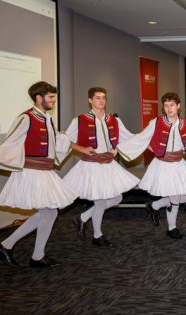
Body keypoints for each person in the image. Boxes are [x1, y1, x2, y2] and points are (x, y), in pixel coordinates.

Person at [0, 81, 77, 268]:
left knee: (49, 212)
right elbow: (10, 143)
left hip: (44, 171)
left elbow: (59, 141)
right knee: (49, 211)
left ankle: (13, 248)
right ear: (39, 97)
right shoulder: (26, 118)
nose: (53, 101)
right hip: (31, 172)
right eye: (51, 97)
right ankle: (25, 252)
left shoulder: (47, 119)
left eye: (54, 97)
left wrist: (82, 148)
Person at [117, 93, 186, 239]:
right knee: (175, 198)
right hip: (163, 164)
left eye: (172, 105)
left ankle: (154, 206)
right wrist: (154, 150)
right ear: (163, 107)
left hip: (179, 164)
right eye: (166, 105)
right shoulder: (156, 122)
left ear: (178, 106)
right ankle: (172, 228)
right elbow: (143, 138)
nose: (169, 109)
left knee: (185, 197)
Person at [64, 87, 139, 247]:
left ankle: (83, 218)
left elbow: (128, 138)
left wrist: (116, 149)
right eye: (97, 98)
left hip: (108, 164)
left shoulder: (114, 120)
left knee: (117, 197)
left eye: (103, 97)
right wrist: (82, 148)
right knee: (99, 202)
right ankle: (97, 236)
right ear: (90, 100)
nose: (101, 101)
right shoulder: (79, 120)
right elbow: (65, 140)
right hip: (91, 165)